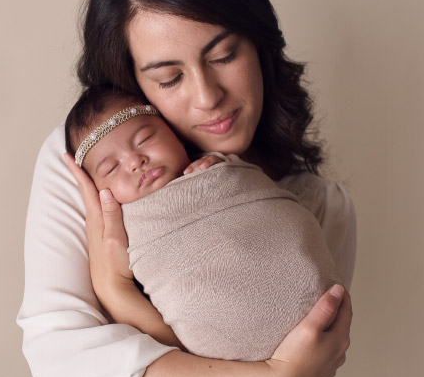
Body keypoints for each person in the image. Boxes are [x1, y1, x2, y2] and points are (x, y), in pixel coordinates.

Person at [18, 0, 356, 377]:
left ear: (258, 40)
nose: (208, 96)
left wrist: (121, 302)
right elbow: (63, 369)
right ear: (134, 87)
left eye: (223, 55)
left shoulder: (314, 206)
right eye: (169, 77)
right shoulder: (90, 169)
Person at [64, 85, 341, 361]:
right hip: (223, 341)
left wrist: (220, 163)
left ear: (177, 136)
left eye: (145, 138)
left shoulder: (214, 166)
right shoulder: (120, 227)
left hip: (314, 289)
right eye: (112, 168)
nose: (136, 161)